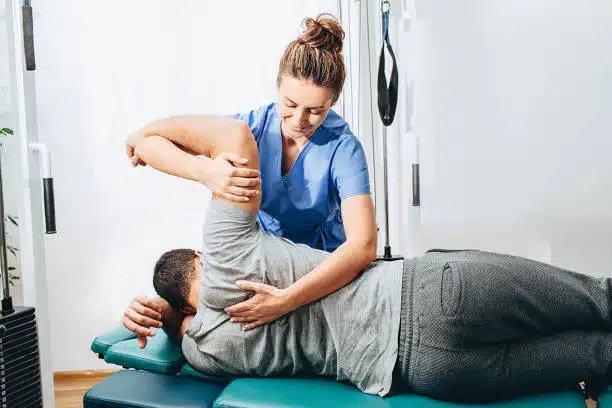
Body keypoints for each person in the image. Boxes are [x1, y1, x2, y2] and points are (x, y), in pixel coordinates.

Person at [124, 123, 612, 403]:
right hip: (431, 294)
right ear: (200, 254)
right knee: (599, 298)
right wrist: (185, 159)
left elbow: (182, 328)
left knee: (599, 356)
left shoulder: (204, 351)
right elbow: (231, 134)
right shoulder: (229, 250)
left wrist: (163, 315)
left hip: (429, 372)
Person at [124, 13, 377, 333]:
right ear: (278, 85)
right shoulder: (252, 128)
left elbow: (364, 245)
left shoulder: (344, 148)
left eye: (315, 111)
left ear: (333, 102)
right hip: (261, 261)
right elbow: (149, 144)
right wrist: (206, 172)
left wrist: (286, 300)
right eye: (290, 103)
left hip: (319, 271)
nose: (299, 119)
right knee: (200, 316)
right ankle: (154, 312)